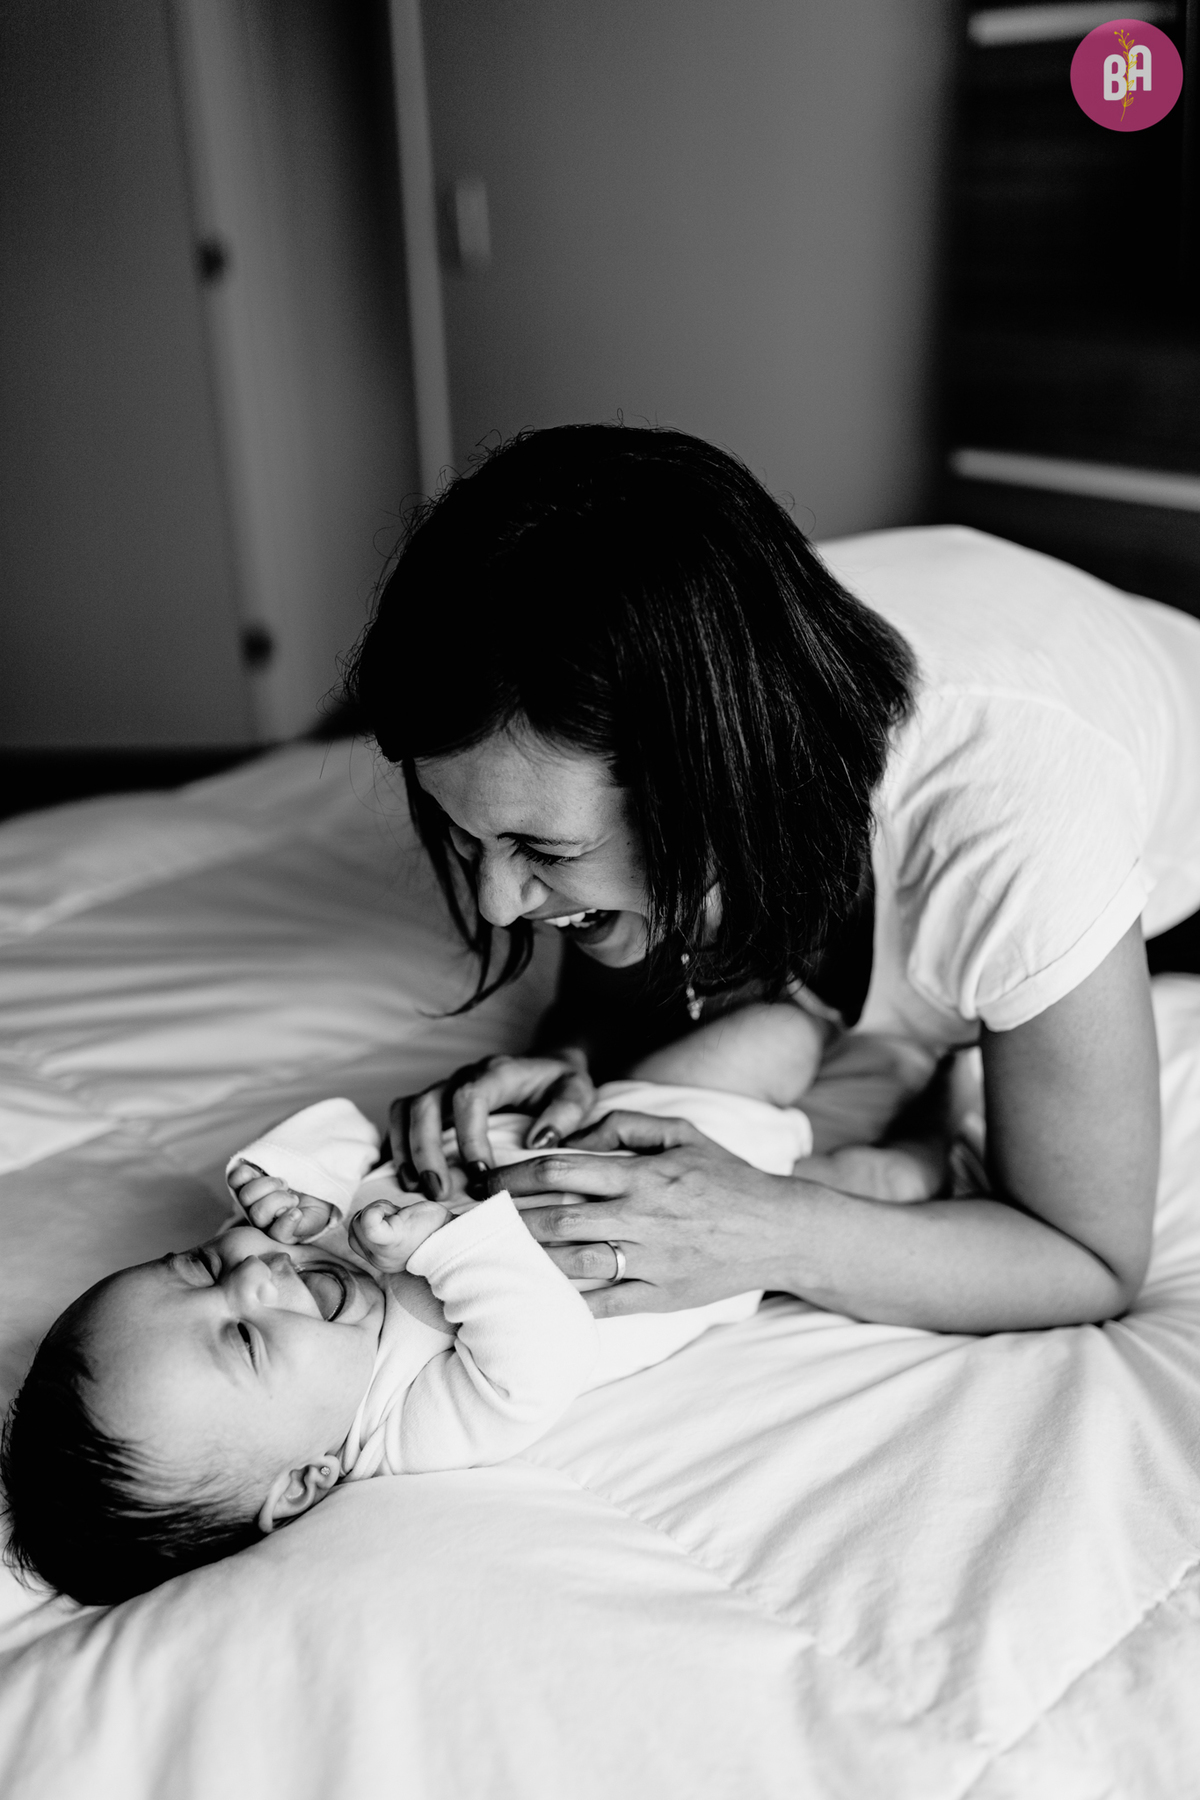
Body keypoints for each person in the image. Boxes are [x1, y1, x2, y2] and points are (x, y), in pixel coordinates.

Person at [343, 423, 1200, 1336]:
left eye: (543, 852)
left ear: (714, 778)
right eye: (467, 838)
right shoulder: (652, 653)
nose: (494, 903)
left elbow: (1090, 1259)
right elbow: (614, 949)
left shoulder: (1021, 821)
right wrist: (568, 1059)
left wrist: (767, 1229)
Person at [1, 1029, 940, 1606]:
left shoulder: (294, 1256)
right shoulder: (402, 1424)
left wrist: (296, 1185)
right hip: (720, 1226)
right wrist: (435, 1247)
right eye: (242, 1336)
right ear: (305, 1479)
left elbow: (349, 1137)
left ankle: (895, 1031)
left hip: (617, 1123)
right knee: (878, 1179)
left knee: (769, 1034)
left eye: (200, 1265)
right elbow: (537, 1360)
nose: (249, 1271)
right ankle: (940, 1125)